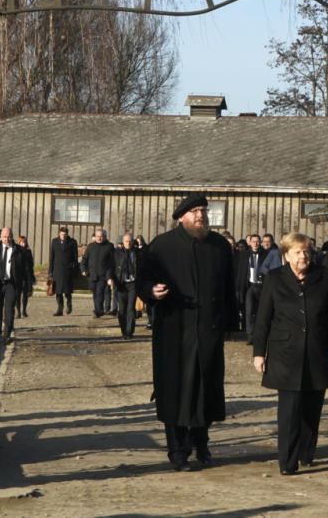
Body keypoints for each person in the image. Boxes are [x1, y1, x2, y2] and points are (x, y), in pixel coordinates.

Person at [138, 194, 236, 471]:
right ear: (181, 217)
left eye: (204, 210)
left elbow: (229, 287)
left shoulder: (219, 246)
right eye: (194, 211)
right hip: (173, 329)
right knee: (173, 389)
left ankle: (201, 441)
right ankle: (177, 449)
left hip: (208, 329)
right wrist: (151, 291)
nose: (201, 215)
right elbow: (143, 279)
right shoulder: (162, 245)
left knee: (206, 387)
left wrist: (230, 323)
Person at [252, 232, 328, 475]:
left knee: (312, 407)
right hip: (286, 353)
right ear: (286, 256)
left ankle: (306, 452)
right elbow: (263, 319)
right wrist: (259, 353)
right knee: (289, 409)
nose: (303, 256)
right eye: (297, 252)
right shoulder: (274, 279)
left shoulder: (323, 276)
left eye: (306, 251)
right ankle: (287, 461)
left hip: (317, 350)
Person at [237, 234, 269, 341]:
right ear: (249, 243)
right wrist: (240, 288)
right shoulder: (244, 255)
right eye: (253, 241)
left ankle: (260, 335)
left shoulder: (266, 254)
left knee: (261, 312)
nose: (255, 244)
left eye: (257, 241)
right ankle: (250, 336)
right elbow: (240, 272)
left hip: (262, 286)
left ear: (260, 243)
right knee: (249, 311)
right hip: (250, 286)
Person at [81, 228, 117, 318]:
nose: (99, 238)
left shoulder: (109, 246)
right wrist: (83, 269)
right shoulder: (91, 246)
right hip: (91, 275)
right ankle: (99, 310)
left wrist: (109, 276)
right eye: (98, 236)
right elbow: (84, 259)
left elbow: (112, 263)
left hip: (103, 275)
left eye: (101, 236)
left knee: (100, 292)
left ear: (105, 237)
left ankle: (98, 311)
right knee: (95, 293)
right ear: (95, 237)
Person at [113, 231, 141, 338]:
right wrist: (111, 278)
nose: (128, 243)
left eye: (130, 241)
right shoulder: (117, 253)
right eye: (126, 241)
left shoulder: (137, 253)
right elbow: (112, 267)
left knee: (130, 308)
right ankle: (124, 330)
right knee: (122, 309)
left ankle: (129, 331)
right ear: (123, 242)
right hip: (121, 284)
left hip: (133, 284)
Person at [49, 226, 79, 316]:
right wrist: (50, 271)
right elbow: (52, 257)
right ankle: (60, 309)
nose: (63, 236)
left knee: (67, 291)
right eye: (62, 234)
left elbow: (75, 257)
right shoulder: (54, 242)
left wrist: (75, 269)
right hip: (57, 270)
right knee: (58, 291)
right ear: (59, 233)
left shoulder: (72, 242)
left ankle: (69, 305)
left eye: (65, 234)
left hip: (68, 270)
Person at [14, 235, 37, 318]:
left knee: (25, 294)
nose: (23, 244)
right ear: (19, 242)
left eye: (24, 242)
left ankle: (24, 310)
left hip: (26, 275)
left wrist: (31, 275)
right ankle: (18, 311)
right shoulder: (16, 251)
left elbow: (31, 264)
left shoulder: (28, 251)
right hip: (18, 275)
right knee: (17, 294)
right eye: (21, 242)